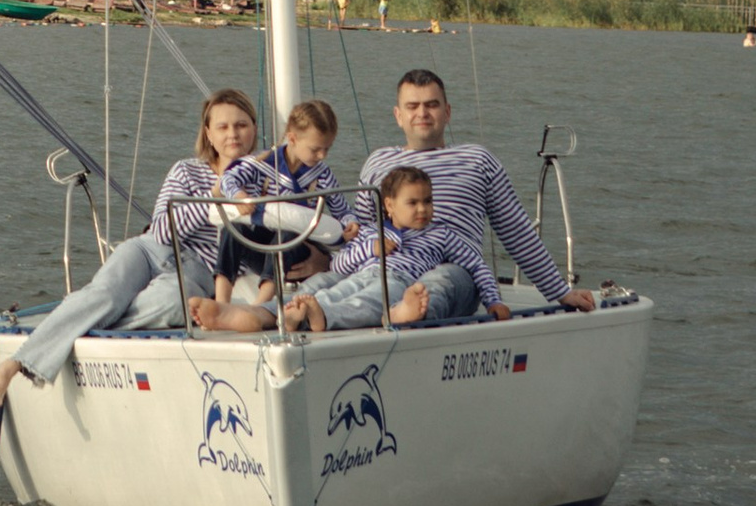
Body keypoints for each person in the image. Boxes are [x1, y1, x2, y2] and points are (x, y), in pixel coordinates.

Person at [0, 88, 258, 407]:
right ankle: (13, 365)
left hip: (198, 270)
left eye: (241, 125)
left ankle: (70, 328)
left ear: (254, 127)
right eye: (222, 127)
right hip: (151, 248)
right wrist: (214, 195)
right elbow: (164, 230)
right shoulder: (186, 171)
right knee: (106, 295)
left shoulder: (268, 183)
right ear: (208, 133)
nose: (232, 134)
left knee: (168, 304)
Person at [357, 68, 597, 312]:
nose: (422, 113)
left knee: (442, 280)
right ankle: (330, 315)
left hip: (457, 272)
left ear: (447, 112)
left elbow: (516, 230)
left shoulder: (477, 160)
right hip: (390, 269)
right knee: (334, 282)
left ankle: (409, 312)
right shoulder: (377, 162)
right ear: (398, 115)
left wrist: (560, 291)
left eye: (432, 105)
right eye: (412, 106)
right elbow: (362, 231)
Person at [190, 98, 351, 331]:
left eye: (327, 148)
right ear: (293, 138)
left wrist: (350, 223)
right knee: (235, 228)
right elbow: (228, 179)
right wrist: (240, 196)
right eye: (316, 149)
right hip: (263, 243)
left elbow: (342, 209)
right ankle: (221, 303)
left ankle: (258, 306)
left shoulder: (322, 175)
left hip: (299, 248)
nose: (322, 155)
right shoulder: (263, 163)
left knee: (286, 233)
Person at [279, 164, 500, 333]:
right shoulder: (370, 232)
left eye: (428, 201)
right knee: (335, 291)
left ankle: (323, 317)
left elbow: (476, 265)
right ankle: (294, 314)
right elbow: (339, 264)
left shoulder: (440, 234)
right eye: (412, 203)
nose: (423, 209)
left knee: (368, 301)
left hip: (399, 280)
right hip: (362, 274)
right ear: (389, 205)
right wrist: (370, 250)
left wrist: (494, 301)